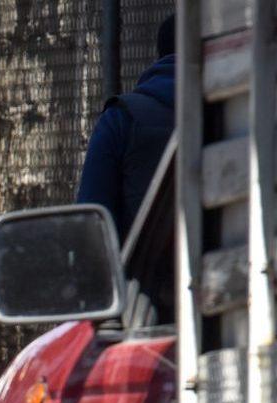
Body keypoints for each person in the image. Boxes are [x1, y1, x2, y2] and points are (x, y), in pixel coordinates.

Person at [75, 15, 176, 239]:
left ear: (159, 56)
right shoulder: (233, 110)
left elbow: (91, 223)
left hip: (141, 273)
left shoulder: (121, 119)